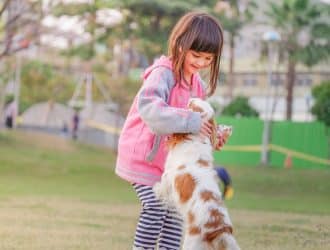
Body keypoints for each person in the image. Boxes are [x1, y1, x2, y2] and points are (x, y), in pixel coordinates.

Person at [115, 11, 225, 250]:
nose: (201, 63)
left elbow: (197, 121)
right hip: (144, 157)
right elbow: (151, 110)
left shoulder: (197, 84)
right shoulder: (162, 74)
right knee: (155, 207)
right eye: (196, 55)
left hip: (170, 164)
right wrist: (193, 122)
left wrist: (214, 134)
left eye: (208, 59)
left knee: (176, 213)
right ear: (180, 44)